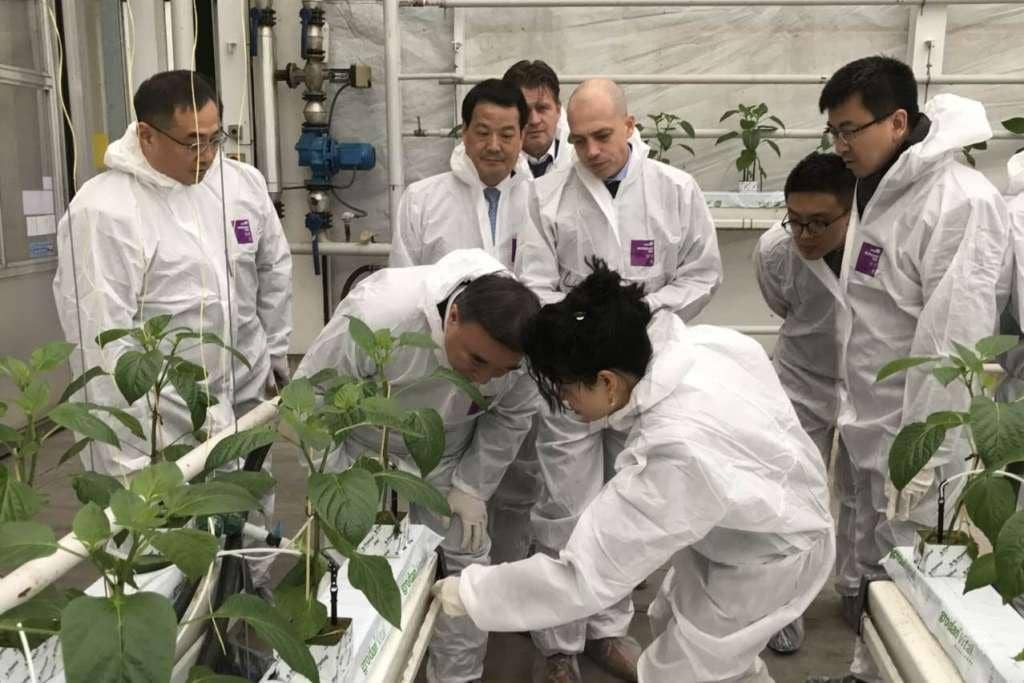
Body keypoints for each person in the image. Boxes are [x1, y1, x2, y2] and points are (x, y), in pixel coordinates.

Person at [431, 259, 835, 683]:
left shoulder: (677, 450)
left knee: (684, 673)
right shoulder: (705, 345)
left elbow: (585, 576)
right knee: (686, 633)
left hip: (769, 554)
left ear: (607, 382)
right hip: (749, 520)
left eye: (566, 390)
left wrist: (471, 592)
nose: (566, 404)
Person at [515, 78, 722, 682]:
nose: (591, 151)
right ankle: (559, 641)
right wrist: (583, 324)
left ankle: (608, 629)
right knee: (563, 505)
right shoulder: (547, 195)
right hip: (574, 378)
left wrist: (640, 313)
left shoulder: (674, 190)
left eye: (603, 136)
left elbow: (702, 274)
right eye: (579, 140)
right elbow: (534, 281)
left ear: (631, 125)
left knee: (627, 500)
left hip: (642, 375)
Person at [816, 56, 1012, 681]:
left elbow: (953, 343)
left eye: (850, 130)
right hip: (870, 423)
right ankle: (864, 672)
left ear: (897, 121)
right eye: (833, 131)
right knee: (875, 570)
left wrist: (925, 457)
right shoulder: (878, 185)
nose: (840, 145)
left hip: (918, 437)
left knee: (921, 582)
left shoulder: (959, 202)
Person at [295, 249, 540, 683]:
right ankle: (349, 673)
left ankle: (457, 677)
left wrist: (472, 486)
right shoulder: (380, 313)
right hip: (362, 444)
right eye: (477, 361)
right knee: (347, 563)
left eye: (501, 370)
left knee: (468, 560)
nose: (484, 379)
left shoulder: (524, 344)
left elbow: (511, 415)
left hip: (447, 450)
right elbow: (310, 397)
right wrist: (334, 481)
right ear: (453, 316)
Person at [52, 69, 292, 475]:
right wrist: (125, 457)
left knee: (249, 500)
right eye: (192, 143)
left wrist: (275, 352)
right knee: (179, 508)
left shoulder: (240, 185)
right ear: (146, 134)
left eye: (215, 138)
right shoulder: (105, 212)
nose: (207, 155)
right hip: (165, 410)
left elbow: (273, 268)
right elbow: (100, 342)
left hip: (246, 383)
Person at [753, 152, 855, 654]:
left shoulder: (875, 241)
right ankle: (784, 607)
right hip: (800, 379)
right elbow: (780, 303)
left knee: (861, 494)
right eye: (795, 221)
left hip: (864, 382)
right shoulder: (775, 249)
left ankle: (856, 589)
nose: (805, 235)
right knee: (791, 495)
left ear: (850, 212)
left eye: (819, 223)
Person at [389, 79, 530, 269]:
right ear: (464, 132)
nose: (493, 146)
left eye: (506, 135)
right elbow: (402, 280)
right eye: (483, 133)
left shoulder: (539, 202)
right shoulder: (420, 201)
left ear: (522, 136)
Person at [502, 59, 574, 178]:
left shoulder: (579, 160)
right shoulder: (488, 165)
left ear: (558, 110)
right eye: (524, 111)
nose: (534, 120)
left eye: (542, 108)